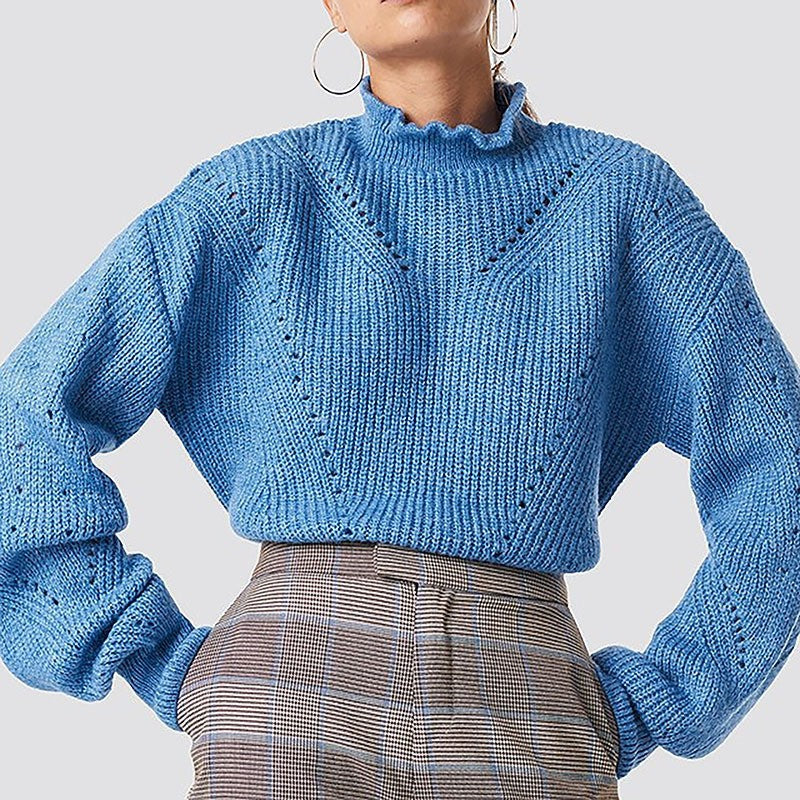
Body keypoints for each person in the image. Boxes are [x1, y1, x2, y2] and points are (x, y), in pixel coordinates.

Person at [1, 1, 799, 798]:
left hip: (529, 708)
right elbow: (25, 424)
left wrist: (667, 698)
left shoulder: (627, 203)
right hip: (284, 698)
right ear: (331, 7)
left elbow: (780, 464)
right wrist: (156, 656)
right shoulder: (250, 196)